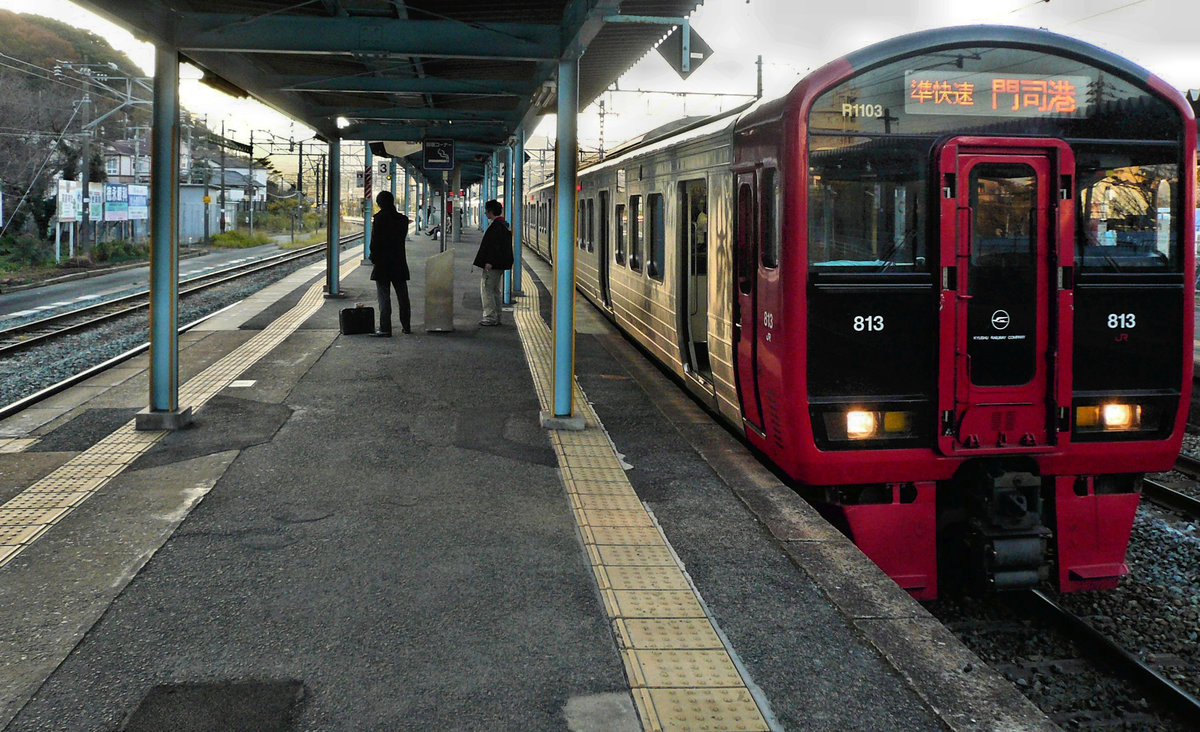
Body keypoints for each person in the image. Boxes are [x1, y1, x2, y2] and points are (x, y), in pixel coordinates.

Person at [368, 190, 411, 336]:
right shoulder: (403, 220)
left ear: (379, 204)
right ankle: (406, 326)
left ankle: (385, 328)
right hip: (399, 262)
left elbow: (374, 243)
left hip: (382, 264)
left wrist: (373, 257)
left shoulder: (379, 219)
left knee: (384, 298)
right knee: (403, 297)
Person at [473, 199, 513, 326]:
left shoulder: (497, 227)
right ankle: (497, 316)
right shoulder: (503, 225)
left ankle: (490, 317)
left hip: (493, 265)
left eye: (486, 211)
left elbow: (495, 246)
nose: (485, 213)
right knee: (495, 290)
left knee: (487, 289)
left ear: (490, 211)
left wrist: (489, 261)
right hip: (499, 264)